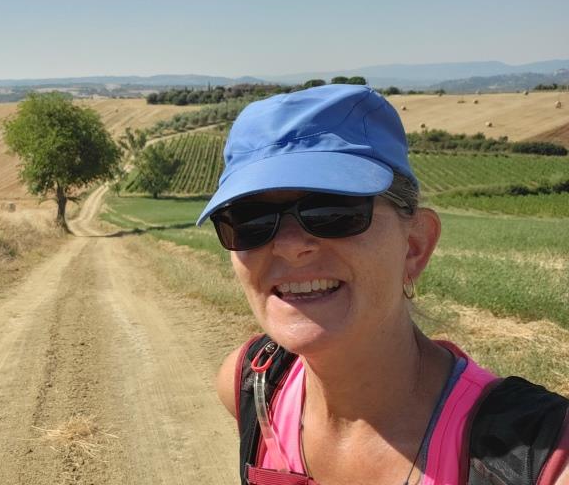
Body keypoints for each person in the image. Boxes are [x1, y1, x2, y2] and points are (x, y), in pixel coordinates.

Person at [196, 85, 568, 485]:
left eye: (331, 212)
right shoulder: (251, 384)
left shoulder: (544, 459)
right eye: (249, 221)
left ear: (415, 245)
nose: (289, 246)